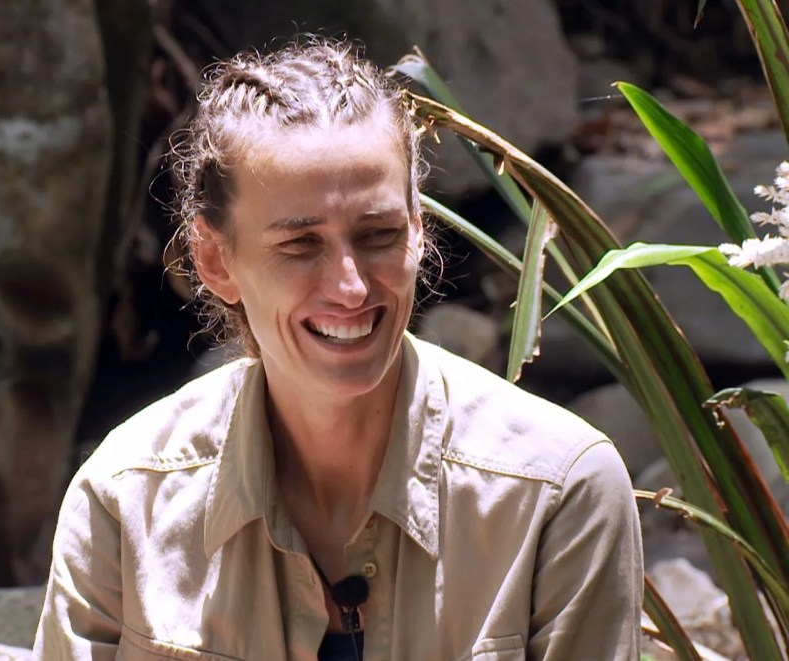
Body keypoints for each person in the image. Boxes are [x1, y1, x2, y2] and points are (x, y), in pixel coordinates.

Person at [33, 36, 643, 660]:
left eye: (378, 235)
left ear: (419, 234)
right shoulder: (124, 500)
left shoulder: (558, 491)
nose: (350, 288)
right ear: (215, 260)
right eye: (300, 246)